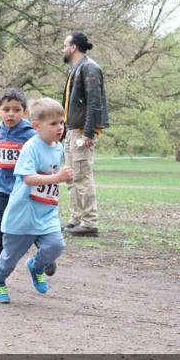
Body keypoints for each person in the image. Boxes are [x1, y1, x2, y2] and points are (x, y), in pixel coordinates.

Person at [0, 98, 74, 303]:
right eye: (53, 123)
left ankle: (36, 266)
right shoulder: (30, 148)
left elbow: (53, 174)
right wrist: (57, 178)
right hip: (23, 213)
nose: (60, 127)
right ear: (36, 126)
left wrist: (63, 177)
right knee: (10, 258)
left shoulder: (58, 148)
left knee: (56, 245)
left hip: (46, 211)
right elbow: (27, 178)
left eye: (61, 122)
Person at [0, 88, 58, 292]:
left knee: (34, 227)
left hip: (28, 192)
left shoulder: (31, 134)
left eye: (17, 109)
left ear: (24, 112)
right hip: (4, 191)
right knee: (0, 229)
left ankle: (44, 258)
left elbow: (47, 152)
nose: (11, 114)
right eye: (6, 109)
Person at [60, 32, 108, 236]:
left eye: (65, 45)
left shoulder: (90, 68)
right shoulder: (77, 69)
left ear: (73, 47)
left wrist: (88, 133)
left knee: (82, 176)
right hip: (72, 130)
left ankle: (89, 222)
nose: (62, 49)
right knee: (72, 177)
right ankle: (76, 218)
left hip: (82, 131)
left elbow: (94, 103)